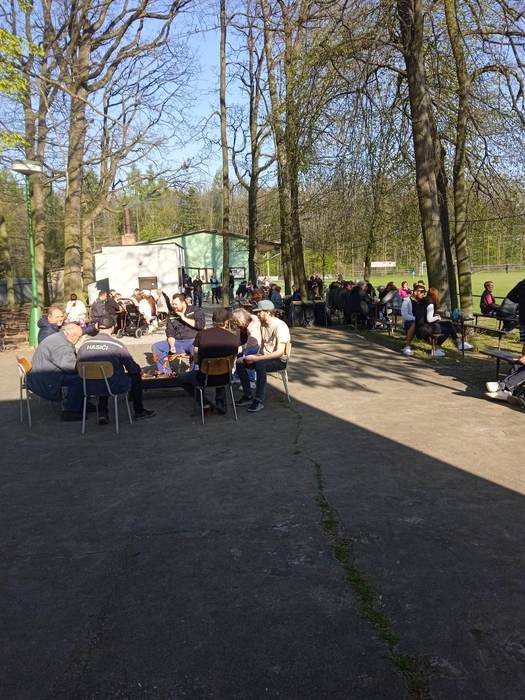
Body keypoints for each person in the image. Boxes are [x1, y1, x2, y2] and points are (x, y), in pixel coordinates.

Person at [77, 316, 155, 424]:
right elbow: (132, 368)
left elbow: (77, 367)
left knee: (102, 376)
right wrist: (138, 370)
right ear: (113, 328)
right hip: (112, 384)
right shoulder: (116, 345)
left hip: (88, 386)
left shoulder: (84, 345)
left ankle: (102, 412)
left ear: (98, 327)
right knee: (135, 376)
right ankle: (139, 411)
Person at [180, 307, 240, 413]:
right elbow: (235, 356)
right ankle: (220, 403)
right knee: (221, 367)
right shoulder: (234, 338)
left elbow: (196, 358)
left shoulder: (201, 335)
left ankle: (204, 402)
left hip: (204, 378)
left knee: (181, 378)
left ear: (212, 320)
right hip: (226, 378)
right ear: (226, 322)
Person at [235, 299, 291, 413]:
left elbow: (280, 352)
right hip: (264, 357)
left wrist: (257, 358)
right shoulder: (262, 325)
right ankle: (247, 395)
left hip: (279, 360)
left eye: (259, 312)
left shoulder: (280, 326)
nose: (257, 315)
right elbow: (262, 347)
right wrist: (254, 356)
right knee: (240, 362)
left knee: (260, 364)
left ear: (268, 312)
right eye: (256, 312)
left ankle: (258, 400)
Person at [27, 323, 86, 421]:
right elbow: (71, 367)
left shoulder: (58, 337)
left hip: (41, 375)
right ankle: (70, 411)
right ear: (70, 335)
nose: (79, 339)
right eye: (79, 337)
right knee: (79, 379)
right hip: (46, 380)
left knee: (79, 376)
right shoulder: (61, 346)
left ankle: (80, 404)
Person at [151, 293, 206, 376]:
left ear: (183, 303)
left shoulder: (195, 310)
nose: (174, 306)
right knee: (156, 347)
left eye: (176, 304)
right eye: (173, 304)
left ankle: (195, 375)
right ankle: (166, 372)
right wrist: (172, 345)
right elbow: (170, 332)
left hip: (193, 341)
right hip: (177, 342)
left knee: (197, 351)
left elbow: (201, 325)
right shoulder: (172, 315)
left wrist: (183, 318)